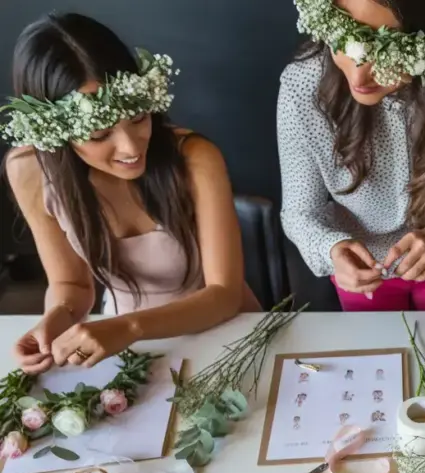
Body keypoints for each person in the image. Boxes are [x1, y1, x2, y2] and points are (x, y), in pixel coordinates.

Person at [2, 13, 260, 373]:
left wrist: (130, 327)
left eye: (138, 118)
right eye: (99, 135)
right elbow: (71, 283)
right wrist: (56, 319)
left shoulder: (196, 157)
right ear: (55, 134)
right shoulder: (29, 170)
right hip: (119, 343)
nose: (130, 147)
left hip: (225, 332)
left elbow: (224, 294)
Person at [278, 0, 425, 312]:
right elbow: (298, 213)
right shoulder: (302, 84)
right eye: (347, 39)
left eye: (387, 52)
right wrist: (331, 249)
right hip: (363, 270)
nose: (359, 77)